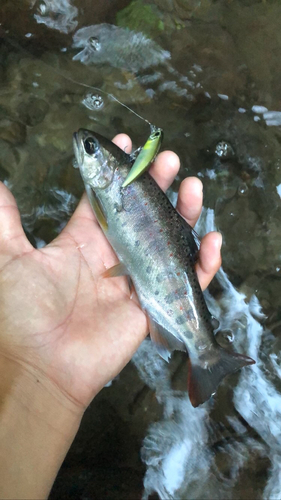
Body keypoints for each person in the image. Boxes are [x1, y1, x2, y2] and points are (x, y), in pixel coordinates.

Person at [0, 134, 222, 499]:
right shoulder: (106, 184)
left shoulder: (107, 187)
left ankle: (206, 353)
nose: (81, 144)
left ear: (107, 169)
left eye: (89, 148)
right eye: (91, 147)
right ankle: (206, 353)